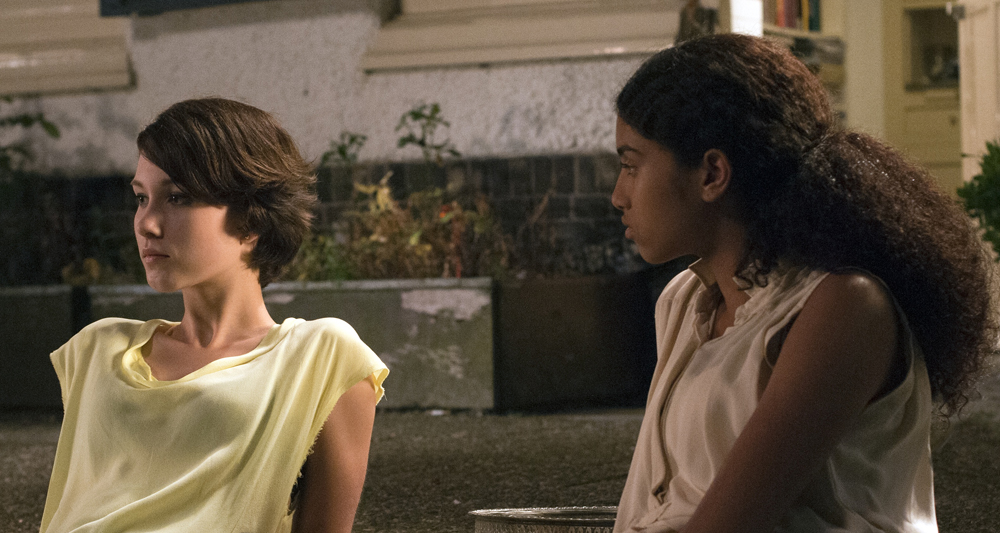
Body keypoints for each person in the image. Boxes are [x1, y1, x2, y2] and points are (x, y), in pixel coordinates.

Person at [611, 34, 997, 533]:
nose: (618, 195)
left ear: (712, 174)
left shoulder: (844, 307)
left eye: (630, 165)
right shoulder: (684, 300)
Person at [40, 98, 388, 533]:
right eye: (141, 198)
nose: (146, 223)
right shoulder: (98, 349)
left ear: (253, 218)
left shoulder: (319, 356)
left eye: (177, 197)